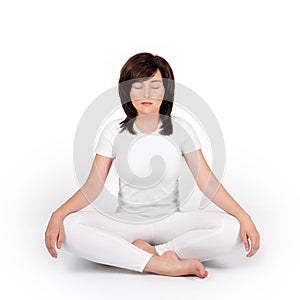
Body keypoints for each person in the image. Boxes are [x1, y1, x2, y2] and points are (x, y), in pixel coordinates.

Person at [45, 52, 260, 279]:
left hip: (171, 221)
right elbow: (93, 187)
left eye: (155, 86)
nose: (146, 94)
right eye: (137, 86)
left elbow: (207, 182)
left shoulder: (181, 129)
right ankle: (160, 264)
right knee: (70, 227)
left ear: (166, 90)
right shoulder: (113, 131)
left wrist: (244, 216)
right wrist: (57, 214)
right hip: (127, 222)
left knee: (232, 229)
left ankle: (154, 253)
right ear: (126, 91)